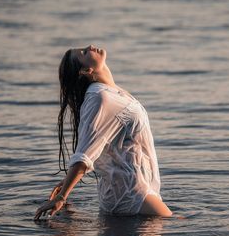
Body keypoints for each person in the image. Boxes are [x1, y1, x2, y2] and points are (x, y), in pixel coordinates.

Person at [34, 45, 172, 220]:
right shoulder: (101, 98)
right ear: (85, 70)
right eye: (84, 53)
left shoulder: (109, 93)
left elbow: (102, 146)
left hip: (126, 194)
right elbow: (84, 154)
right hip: (133, 195)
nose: (90, 47)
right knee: (179, 230)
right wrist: (63, 196)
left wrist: (68, 182)